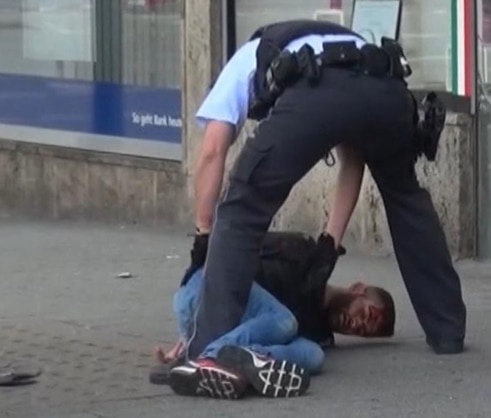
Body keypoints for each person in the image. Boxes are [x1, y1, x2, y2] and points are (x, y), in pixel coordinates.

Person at [184, 19, 466, 369]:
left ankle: (207, 354)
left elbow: (212, 152)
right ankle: (447, 331)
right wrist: (329, 242)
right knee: (408, 201)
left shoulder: (242, 64)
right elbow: (355, 155)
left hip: (317, 93)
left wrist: (203, 233)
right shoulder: (343, 41)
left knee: (242, 207)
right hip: (388, 93)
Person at [151, 231, 396, 400]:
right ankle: (209, 358)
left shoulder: (321, 335)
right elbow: (236, 240)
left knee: (315, 355)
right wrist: (191, 329)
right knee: (286, 322)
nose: (357, 324)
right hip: (207, 286)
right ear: (357, 288)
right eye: (366, 314)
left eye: (361, 331)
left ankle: (243, 363)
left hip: (229, 329)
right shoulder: (306, 253)